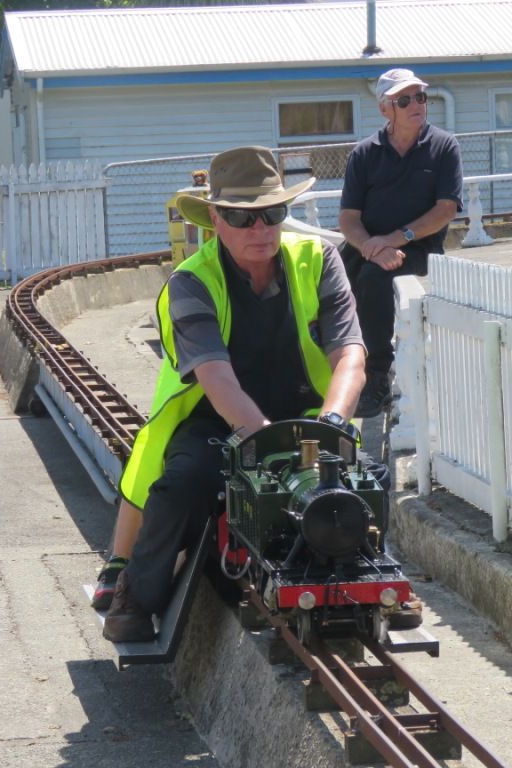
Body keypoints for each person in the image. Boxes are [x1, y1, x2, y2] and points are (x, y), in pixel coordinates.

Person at [103, 145, 367, 643]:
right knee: (184, 484)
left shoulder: (319, 258)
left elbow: (350, 353)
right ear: (216, 219)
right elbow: (214, 376)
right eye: (242, 218)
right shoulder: (192, 281)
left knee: (359, 479)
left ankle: (368, 579)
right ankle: (135, 595)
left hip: (306, 414)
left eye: (272, 213)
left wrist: (332, 424)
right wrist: (266, 447)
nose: (261, 229)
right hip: (215, 420)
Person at [339, 68, 463, 418]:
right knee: (325, 278)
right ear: (385, 109)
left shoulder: (443, 146)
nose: (416, 105)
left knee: (372, 279)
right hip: (371, 245)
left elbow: (446, 209)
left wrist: (395, 240)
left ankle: (376, 374)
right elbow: (348, 218)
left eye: (420, 97)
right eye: (404, 100)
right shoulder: (365, 153)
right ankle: (335, 366)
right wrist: (370, 246)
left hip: (419, 247)